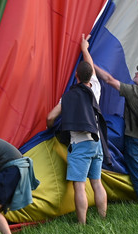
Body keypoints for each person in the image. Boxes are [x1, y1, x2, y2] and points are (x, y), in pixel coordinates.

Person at [83, 35, 138, 203]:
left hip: (134, 140)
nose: (135, 73)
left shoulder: (133, 91)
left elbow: (108, 79)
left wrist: (90, 62)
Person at [46, 58, 110, 224]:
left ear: (76, 75)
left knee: (79, 186)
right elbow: (91, 70)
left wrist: (50, 127)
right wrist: (85, 48)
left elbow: (50, 117)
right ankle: (103, 218)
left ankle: (82, 224)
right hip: (96, 143)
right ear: (90, 76)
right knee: (97, 182)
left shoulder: (67, 97)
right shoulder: (95, 89)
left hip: (80, 145)